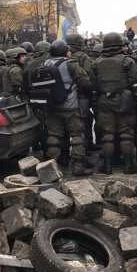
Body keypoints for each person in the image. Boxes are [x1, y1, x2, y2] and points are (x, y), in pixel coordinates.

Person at [92, 33, 137, 174]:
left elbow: (93, 85)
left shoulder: (96, 63)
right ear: (120, 44)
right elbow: (136, 82)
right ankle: (129, 166)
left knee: (107, 135)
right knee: (126, 134)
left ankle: (107, 167)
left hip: (104, 101)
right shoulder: (127, 61)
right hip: (124, 101)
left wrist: (95, 103)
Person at [44, 40, 92, 176]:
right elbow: (85, 82)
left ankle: (51, 169)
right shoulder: (71, 63)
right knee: (76, 136)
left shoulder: (46, 63)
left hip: (51, 106)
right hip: (70, 105)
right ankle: (78, 167)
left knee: (53, 137)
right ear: (65, 51)